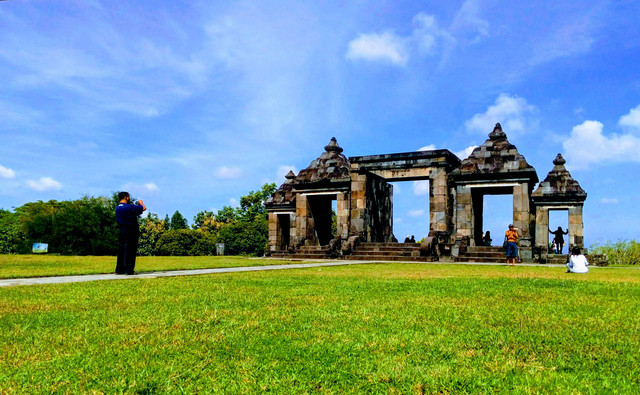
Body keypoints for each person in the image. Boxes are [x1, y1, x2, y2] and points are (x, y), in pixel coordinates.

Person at [115, 192, 146, 275]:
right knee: (130, 250)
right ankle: (129, 270)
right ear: (126, 197)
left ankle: (120, 269)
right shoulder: (129, 207)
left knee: (121, 250)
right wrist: (140, 203)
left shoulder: (118, 208)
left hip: (122, 229)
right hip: (131, 230)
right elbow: (143, 208)